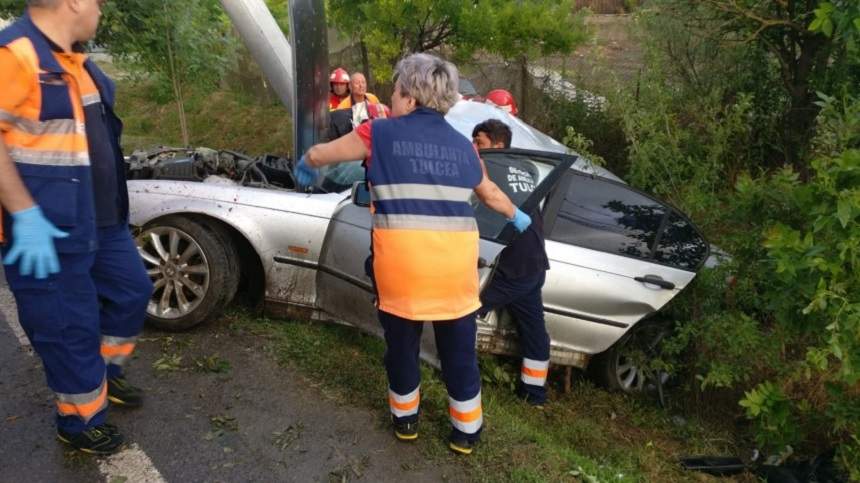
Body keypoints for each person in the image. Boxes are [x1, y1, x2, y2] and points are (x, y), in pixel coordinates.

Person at [294, 53, 532, 455]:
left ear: (408, 94)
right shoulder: (463, 146)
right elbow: (490, 194)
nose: (392, 95)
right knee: (458, 352)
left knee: (402, 347)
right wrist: (518, 216)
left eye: (396, 88)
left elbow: (325, 155)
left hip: (401, 270)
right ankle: (466, 432)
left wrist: (306, 162)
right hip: (455, 272)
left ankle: (406, 421)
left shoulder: (378, 133)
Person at [0, 0, 153, 455]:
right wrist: (25, 213)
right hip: (46, 230)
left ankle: (104, 373)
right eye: (99, 2)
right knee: (68, 327)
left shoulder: (76, 63)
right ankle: (79, 420)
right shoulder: (16, 55)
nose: (103, 10)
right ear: (74, 1)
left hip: (101, 222)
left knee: (133, 292)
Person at [472, 119, 551, 407]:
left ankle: (456, 371)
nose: (474, 148)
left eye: (479, 142)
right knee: (533, 328)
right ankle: (534, 394)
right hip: (533, 260)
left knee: (465, 311)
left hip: (513, 263)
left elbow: (484, 203)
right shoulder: (528, 167)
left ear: (497, 145)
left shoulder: (488, 167)